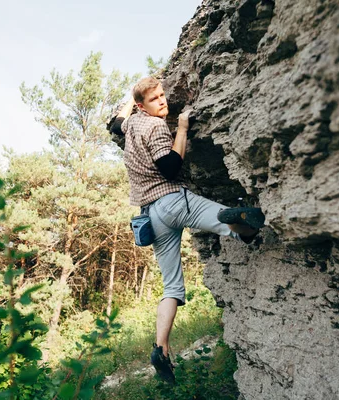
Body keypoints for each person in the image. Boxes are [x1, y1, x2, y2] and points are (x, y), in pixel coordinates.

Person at [110, 77, 265, 383]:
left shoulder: (131, 125)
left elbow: (115, 124)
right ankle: (238, 222)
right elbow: (170, 167)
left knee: (172, 287)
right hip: (171, 201)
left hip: (151, 217)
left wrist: (131, 100)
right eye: (155, 99)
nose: (163, 102)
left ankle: (161, 346)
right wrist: (180, 128)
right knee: (231, 226)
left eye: (163, 95)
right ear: (143, 106)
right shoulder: (154, 127)